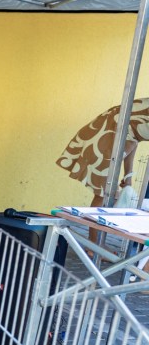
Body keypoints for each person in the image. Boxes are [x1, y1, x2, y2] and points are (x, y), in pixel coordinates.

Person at [56, 98, 149, 251]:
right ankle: (94, 247)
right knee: (104, 192)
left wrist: (128, 176)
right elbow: (130, 136)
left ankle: (96, 244)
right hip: (107, 131)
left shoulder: (138, 120)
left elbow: (133, 138)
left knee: (107, 192)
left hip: (113, 130)